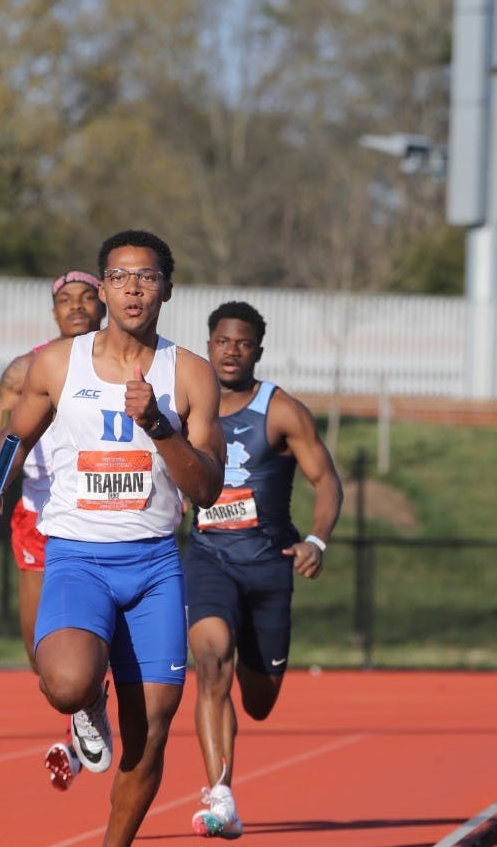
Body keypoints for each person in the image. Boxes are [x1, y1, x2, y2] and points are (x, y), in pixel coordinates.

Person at [0, 229, 225, 846]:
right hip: (79, 559)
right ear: (103, 287)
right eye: (121, 276)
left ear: (167, 288)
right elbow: (15, 436)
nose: (134, 288)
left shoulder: (189, 373)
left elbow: (207, 488)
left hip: (155, 565)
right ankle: (88, 704)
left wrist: (160, 426)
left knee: (152, 731)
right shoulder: (57, 364)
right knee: (66, 684)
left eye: (148, 276)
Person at [183, 301, 344, 839]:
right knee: (210, 664)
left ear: (257, 350)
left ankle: (256, 668)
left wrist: (317, 540)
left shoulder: (282, 411)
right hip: (208, 559)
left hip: (269, 569)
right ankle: (221, 795)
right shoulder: (183, 406)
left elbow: (327, 481)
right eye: (223, 342)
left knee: (258, 701)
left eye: (243, 343)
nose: (232, 351)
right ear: (209, 346)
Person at [0, 269, 105, 791]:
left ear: (102, 306)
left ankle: (91, 706)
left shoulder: (119, 364)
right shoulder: (26, 368)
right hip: (36, 515)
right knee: (40, 657)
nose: (76, 307)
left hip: (98, 514)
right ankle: (87, 703)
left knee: (97, 639)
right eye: (65, 300)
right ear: (54, 313)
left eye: (86, 298)